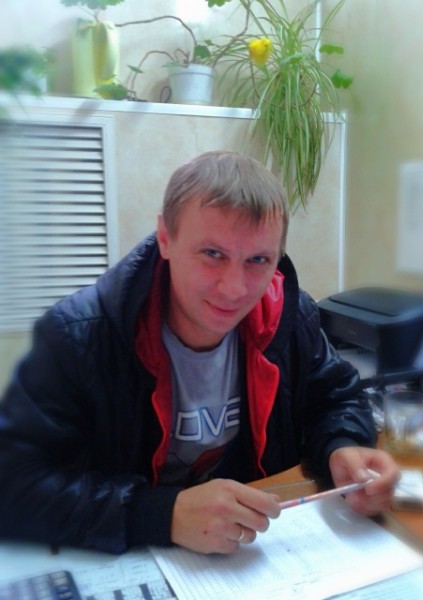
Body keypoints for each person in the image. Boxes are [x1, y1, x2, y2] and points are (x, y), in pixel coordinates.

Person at [0, 150, 399, 556]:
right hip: (135, 554)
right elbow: (12, 484)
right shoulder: (76, 336)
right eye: (212, 254)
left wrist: (343, 445)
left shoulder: (289, 316)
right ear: (165, 238)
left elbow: (336, 397)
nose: (235, 289)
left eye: (258, 260)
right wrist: (161, 514)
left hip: (253, 553)